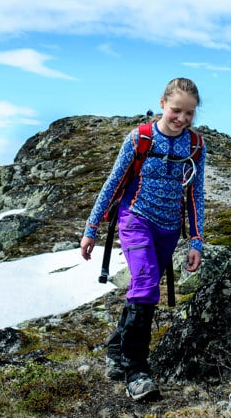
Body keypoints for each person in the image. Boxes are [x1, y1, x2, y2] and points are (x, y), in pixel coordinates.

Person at [80, 77, 206, 401]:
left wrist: (196, 240)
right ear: (163, 104)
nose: (181, 119)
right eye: (177, 110)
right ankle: (136, 371)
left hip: (167, 230)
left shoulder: (195, 146)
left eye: (189, 114)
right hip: (135, 220)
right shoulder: (140, 139)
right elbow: (113, 183)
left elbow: (196, 194)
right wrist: (91, 229)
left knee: (143, 289)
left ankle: (114, 351)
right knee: (148, 280)